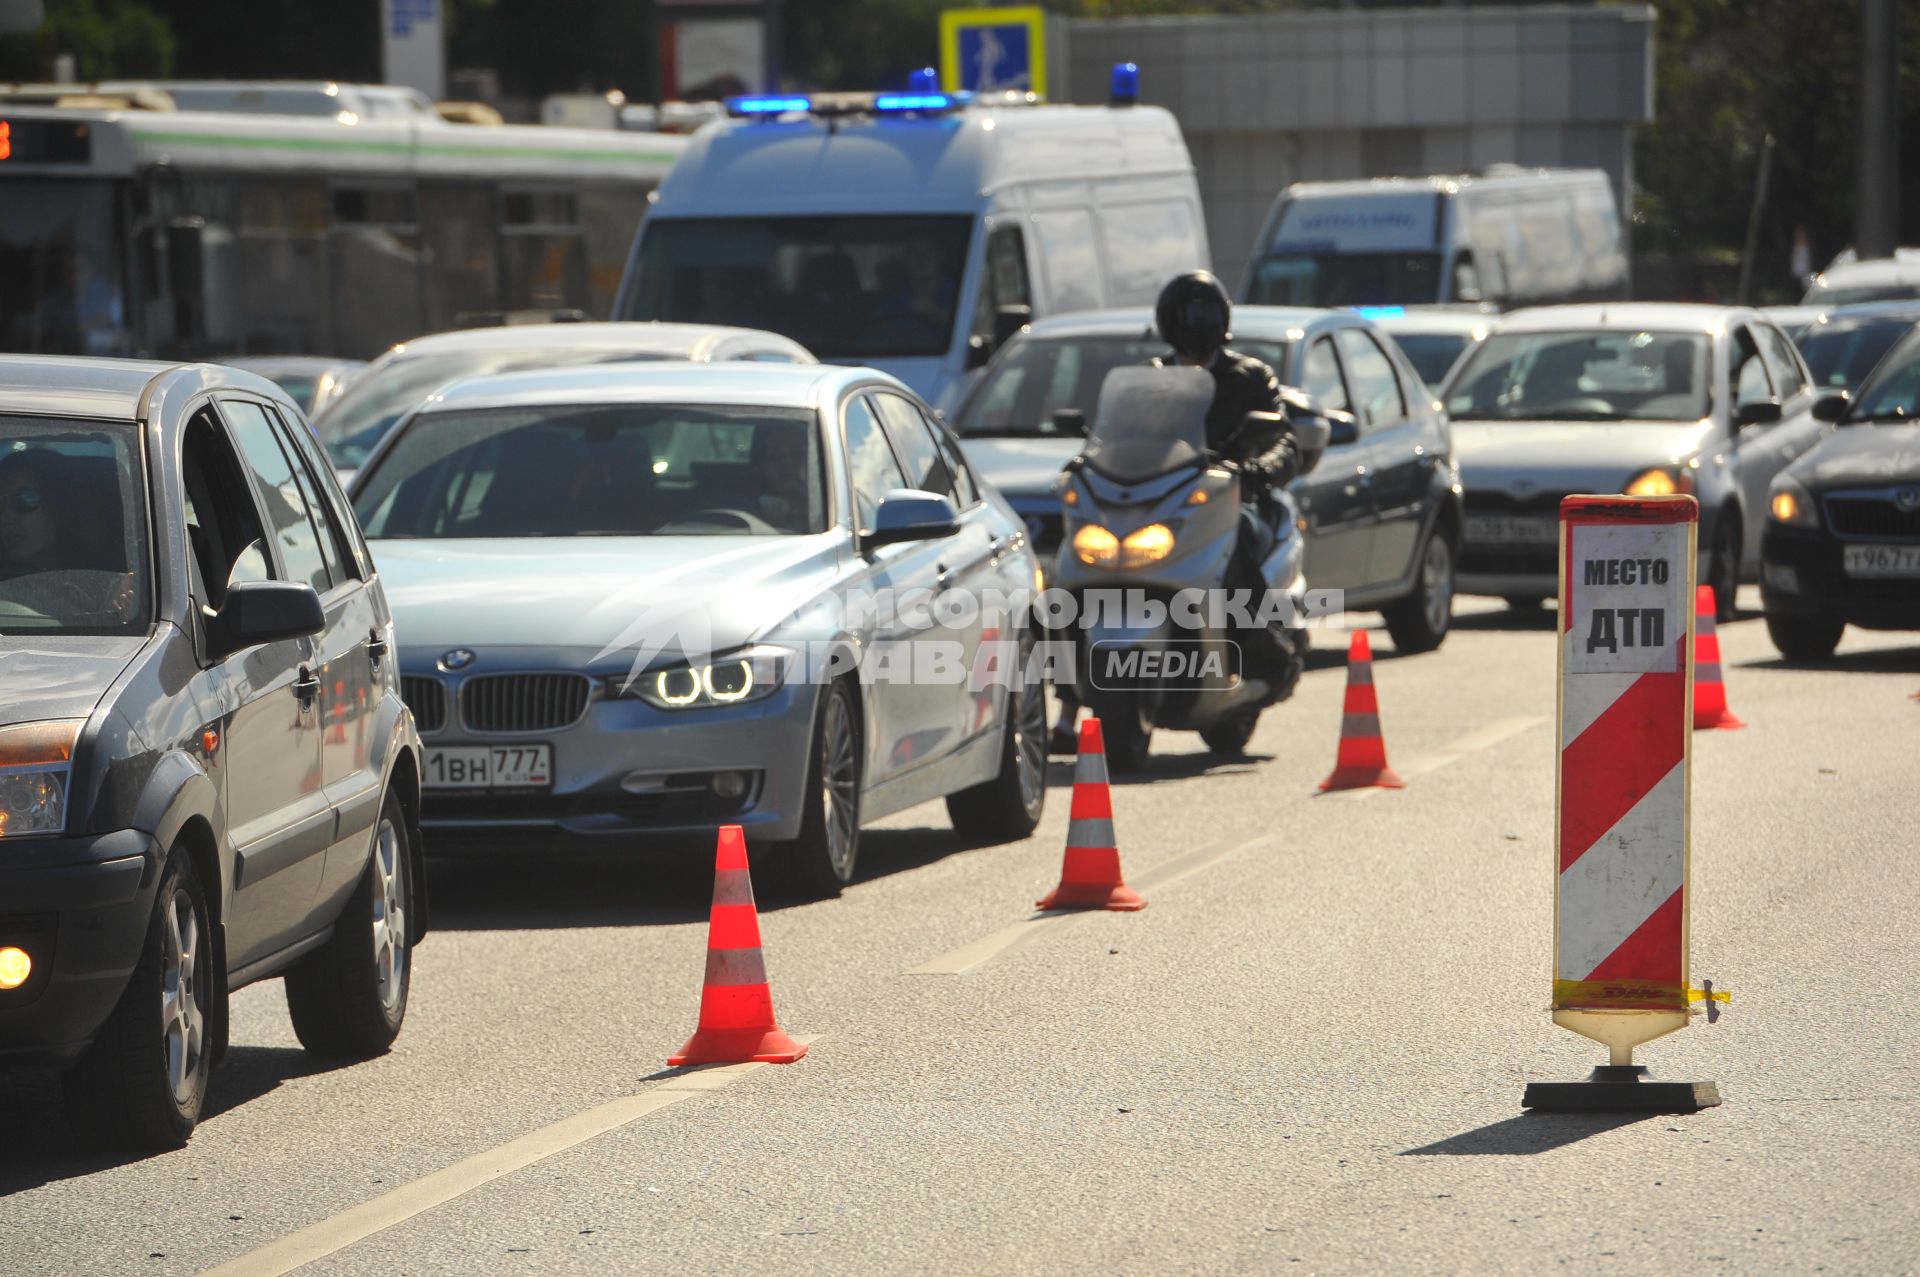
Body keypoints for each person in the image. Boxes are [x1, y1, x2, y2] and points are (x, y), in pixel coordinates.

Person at [1047, 270, 1303, 753]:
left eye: (1206, 313)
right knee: (1065, 575)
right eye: (1190, 314)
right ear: (1168, 321)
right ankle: (1065, 703)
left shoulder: (1249, 376)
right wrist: (1090, 457)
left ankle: (1260, 642)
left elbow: (1283, 438)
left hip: (1228, 495)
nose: (1198, 323)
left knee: (1241, 535)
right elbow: (1117, 437)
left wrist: (1260, 468)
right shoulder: (1150, 379)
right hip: (1157, 499)